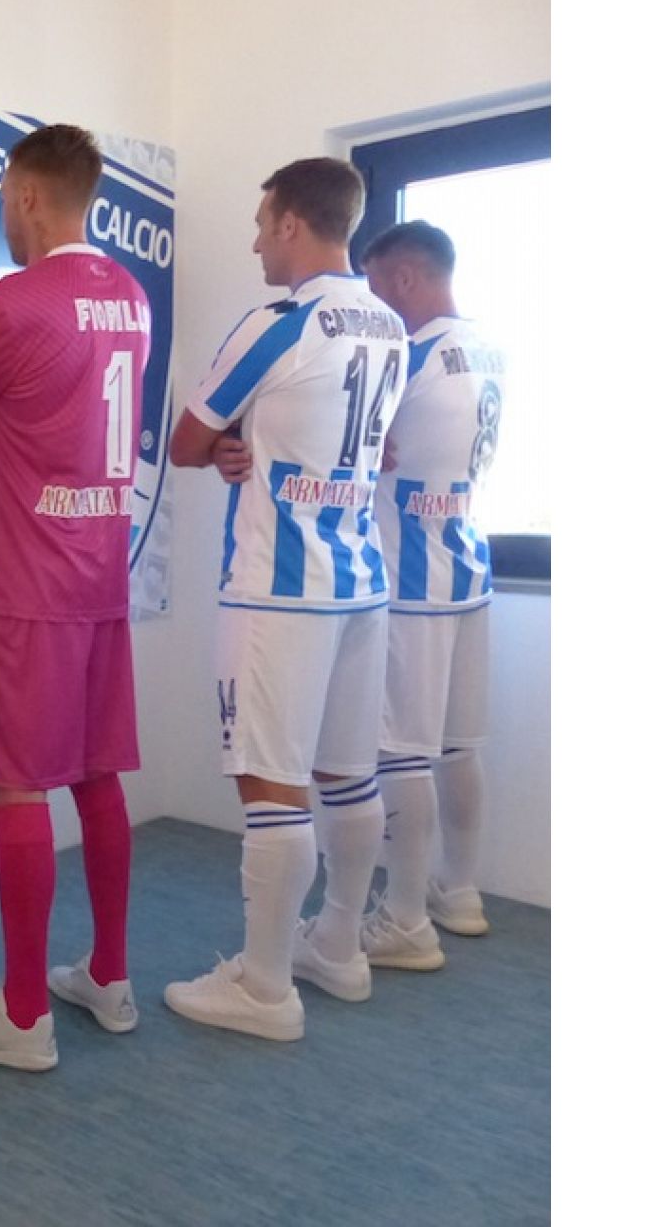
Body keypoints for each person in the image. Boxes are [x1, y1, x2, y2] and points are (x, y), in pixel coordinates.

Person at [165, 157, 406, 1039]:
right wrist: (251, 441)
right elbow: (372, 448)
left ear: (295, 225)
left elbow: (186, 442)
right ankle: (337, 945)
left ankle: (265, 988)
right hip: (362, 582)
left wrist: (232, 441)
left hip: (277, 587)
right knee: (349, 775)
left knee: (271, 786)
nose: (257, 242)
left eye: (264, 223)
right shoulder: (390, 324)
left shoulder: (279, 322)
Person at [0, 124, 150, 1066]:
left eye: (5, 201)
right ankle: (110, 975)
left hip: (24, 580)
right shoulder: (130, 293)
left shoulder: (9, 302)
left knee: (17, 783)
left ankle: (23, 1017)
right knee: (96, 774)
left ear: (25, 196)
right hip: (101, 572)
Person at [358, 220, 506, 955]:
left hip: (410, 577)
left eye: (377, 288)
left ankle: (405, 918)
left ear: (406, 279)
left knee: (402, 751)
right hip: (469, 566)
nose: (375, 305)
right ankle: (461, 889)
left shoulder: (409, 356)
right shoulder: (488, 350)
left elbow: (352, 447)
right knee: (458, 745)